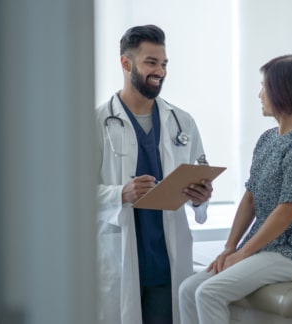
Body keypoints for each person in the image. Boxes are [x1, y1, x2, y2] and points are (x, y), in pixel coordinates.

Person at [178, 54, 292, 323]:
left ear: (281, 91)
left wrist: (243, 253)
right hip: (268, 247)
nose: (259, 94)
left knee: (209, 292)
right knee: (187, 289)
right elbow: (250, 198)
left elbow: (286, 212)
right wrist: (230, 247)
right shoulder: (267, 139)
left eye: (264, 86)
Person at [95, 25, 213, 324]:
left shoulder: (182, 122)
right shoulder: (96, 123)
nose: (160, 71)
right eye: (151, 62)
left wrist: (201, 198)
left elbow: (198, 179)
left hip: (165, 260)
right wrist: (120, 193)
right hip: (119, 255)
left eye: (163, 64)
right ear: (126, 63)